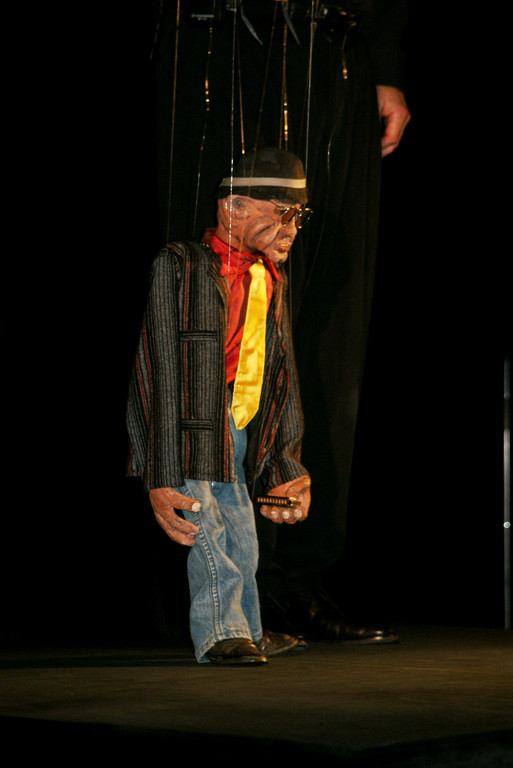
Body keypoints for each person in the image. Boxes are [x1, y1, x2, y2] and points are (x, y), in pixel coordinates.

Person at [151, 1, 411, 643]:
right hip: (209, 36)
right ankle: (210, 601)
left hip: (328, 45)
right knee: (201, 298)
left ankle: (290, 578)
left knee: (315, 325)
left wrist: (385, 60)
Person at [126, 147, 312, 665]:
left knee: (240, 527)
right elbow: (157, 366)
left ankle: (248, 628)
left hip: (237, 414)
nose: (292, 229)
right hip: (188, 418)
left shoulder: (266, 277)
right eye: (282, 214)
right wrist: (160, 468)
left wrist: (285, 463)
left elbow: (281, 370)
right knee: (204, 523)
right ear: (233, 208)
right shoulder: (180, 264)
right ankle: (220, 633)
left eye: (298, 216)